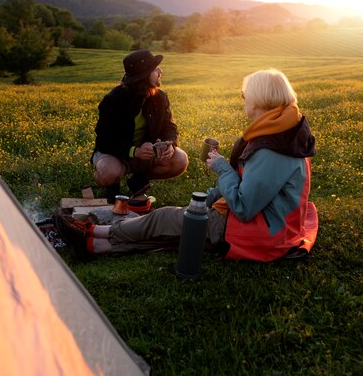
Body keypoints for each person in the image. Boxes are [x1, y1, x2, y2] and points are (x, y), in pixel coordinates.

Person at [57, 68, 318, 262]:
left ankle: (95, 231)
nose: (243, 99)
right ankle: (95, 247)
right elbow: (251, 184)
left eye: (244, 94)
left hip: (257, 232)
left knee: (164, 217)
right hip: (266, 228)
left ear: (261, 99)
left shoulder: (274, 149)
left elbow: (244, 206)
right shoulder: (281, 134)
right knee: (179, 235)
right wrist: (211, 197)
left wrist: (221, 167)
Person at [91, 49, 189, 201]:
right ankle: (112, 185)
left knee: (180, 160)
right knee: (108, 174)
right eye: (155, 69)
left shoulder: (160, 97)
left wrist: (171, 143)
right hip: (115, 154)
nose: (160, 70)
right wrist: (134, 151)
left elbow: (168, 126)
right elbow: (104, 141)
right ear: (144, 76)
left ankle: (138, 181)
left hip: (145, 153)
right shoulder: (113, 101)